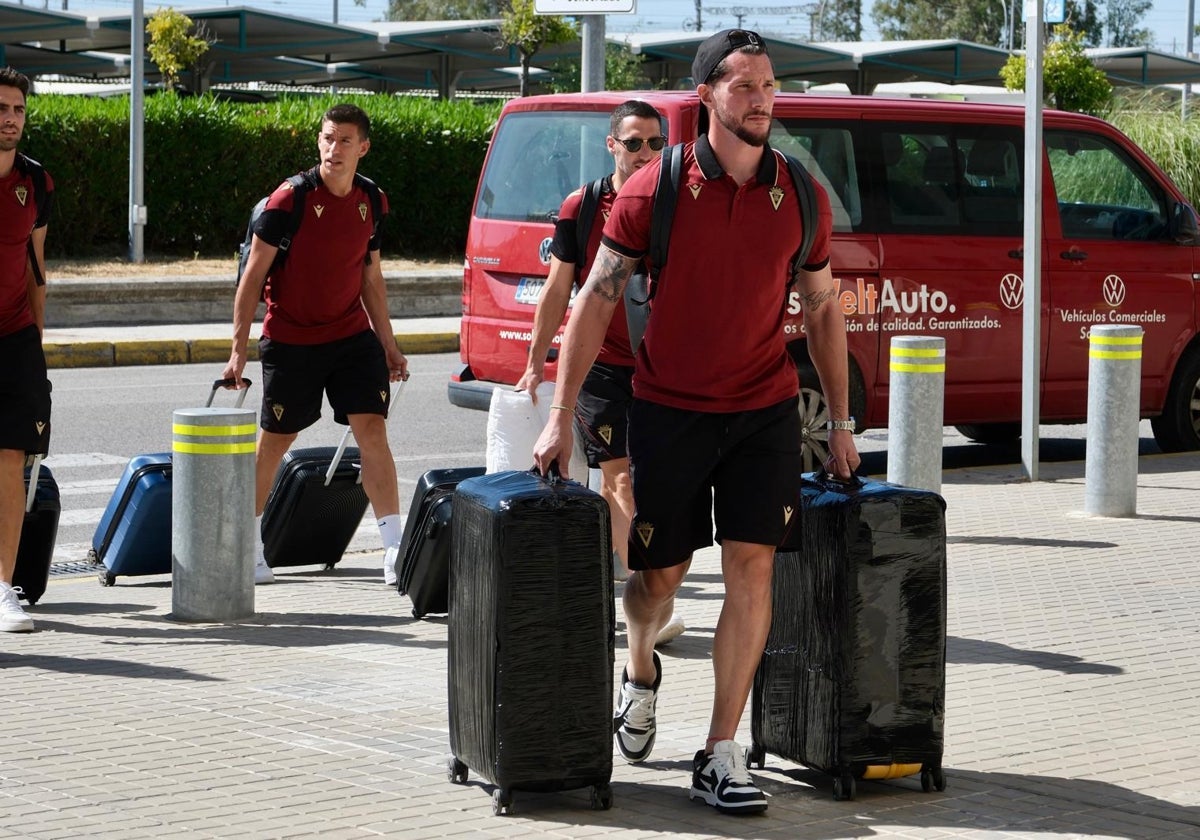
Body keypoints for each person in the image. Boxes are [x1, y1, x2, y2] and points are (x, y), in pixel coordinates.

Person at [533, 30, 861, 815]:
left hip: (764, 410)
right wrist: (555, 417)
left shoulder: (801, 194)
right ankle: (640, 666)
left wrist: (842, 420)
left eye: (770, 85)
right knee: (658, 581)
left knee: (752, 569)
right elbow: (596, 298)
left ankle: (719, 751)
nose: (761, 100)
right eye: (744, 86)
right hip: (670, 411)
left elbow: (821, 306)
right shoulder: (657, 188)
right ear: (707, 94)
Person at [516, 99, 685, 648]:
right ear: (611, 145)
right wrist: (536, 363)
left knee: (663, 483)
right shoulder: (583, 206)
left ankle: (649, 593)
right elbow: (558, 289)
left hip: (667, 367)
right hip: (604, 366)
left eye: (656, 144)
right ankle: (652, 603)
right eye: (633, 142)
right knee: (619, 479)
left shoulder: (678, 202)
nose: (645, 153)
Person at [222, 103, 407, 586]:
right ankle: (249, 543)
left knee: (373, 432)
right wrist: (238, 350)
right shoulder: (291, 200)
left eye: (345, 140)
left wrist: (388, 344)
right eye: (328, 138)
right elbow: (251, 278)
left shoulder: (372, 200)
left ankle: (394, 550)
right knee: (275, 442)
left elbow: (371, 277)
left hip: (350, 337)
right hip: (291, 340)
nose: (334, 148)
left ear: (363, 147)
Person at [0, 66, 53, 633]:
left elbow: (37, 267)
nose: (10, 118)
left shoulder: (35, 182)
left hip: (14, 337)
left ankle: (1, 588)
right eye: (0, 108)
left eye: (17, 109)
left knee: (9, 461)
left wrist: (36, 340)